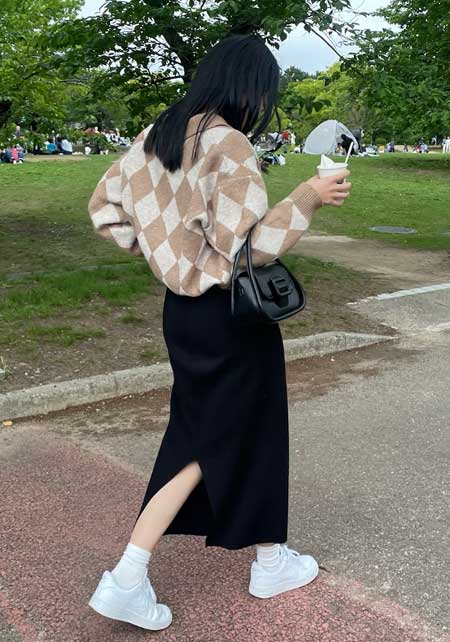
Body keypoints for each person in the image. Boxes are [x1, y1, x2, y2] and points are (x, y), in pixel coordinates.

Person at [86, 33, 352, 631]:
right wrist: (309, 196)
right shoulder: (228, 143)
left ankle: (269, 557)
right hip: (228, 313)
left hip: (182, 314)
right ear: (250, 89)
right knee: (212, 436)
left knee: (224, 427)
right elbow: (249, 248)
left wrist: (164, 254)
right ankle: (129, 575)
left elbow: (104, 208)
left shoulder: (156, 135)